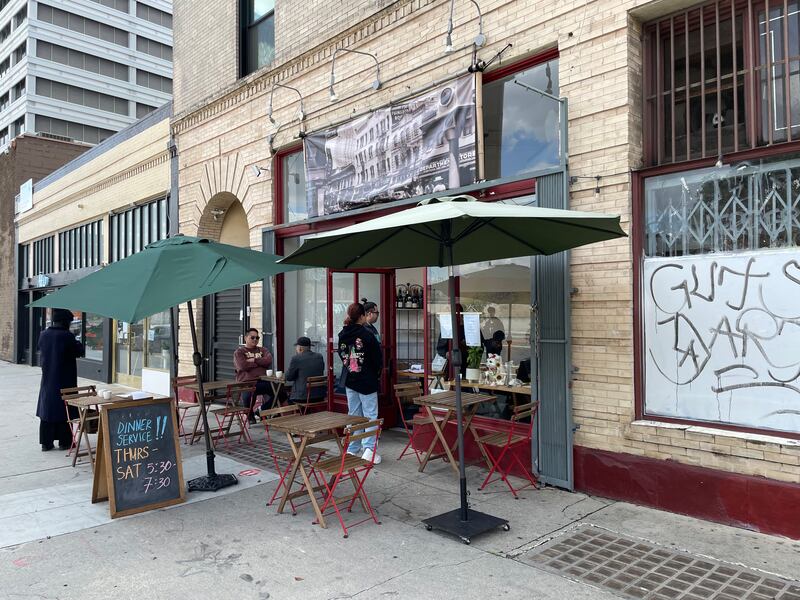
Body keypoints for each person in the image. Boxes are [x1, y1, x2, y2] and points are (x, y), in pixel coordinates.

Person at [338, 302, 383, 463]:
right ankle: (369, 449)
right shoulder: (367, 335)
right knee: (371, 415)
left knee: (354, 414)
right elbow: (378, 359)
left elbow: (342, 355)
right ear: (362, 316)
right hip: (367, 379)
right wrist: (375, 372)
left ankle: (353, 448)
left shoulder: (342, 334)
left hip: (350, 378)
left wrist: (351, 367)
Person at [36, 308, 84, 452]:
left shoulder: (43, 334)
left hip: (48, 379)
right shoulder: (67, 336)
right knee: (65, 409)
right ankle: (65, 442)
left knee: (48, 410)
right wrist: (76, 341)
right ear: (65, 322)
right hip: (65, 379)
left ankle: (46, 443)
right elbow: (79, 351)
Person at [233, 328, 273, 421]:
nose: (255, 339)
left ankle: (262, 410)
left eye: (257, 338)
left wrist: (254, 360)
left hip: (262, 380)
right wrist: (260, 363)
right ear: (245, 338)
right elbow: (242, 366)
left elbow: (268, 361)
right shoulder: (239, 352)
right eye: (252, 337)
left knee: (280, 392)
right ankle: (250, 415)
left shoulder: (262, 349)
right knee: (248, 395)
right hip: (246, 382)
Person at [285, 336, 325, 405]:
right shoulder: (319, 356)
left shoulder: (296, 358)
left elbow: (288, 377)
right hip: (319, 396)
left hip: (302, 397)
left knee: (286, 399)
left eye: (296, 347)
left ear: (300, 348)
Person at [436, 303, 467, 379]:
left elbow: (479, 346)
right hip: (451, 366)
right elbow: (440, 348)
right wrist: (446, 354)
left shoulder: (469, 327)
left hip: (467, 365)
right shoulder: (447, 328)